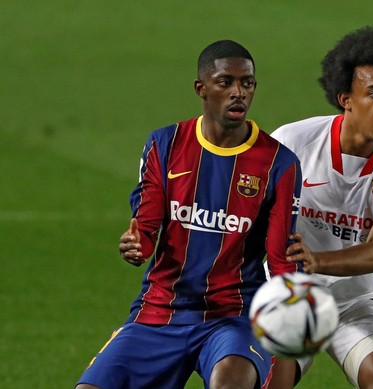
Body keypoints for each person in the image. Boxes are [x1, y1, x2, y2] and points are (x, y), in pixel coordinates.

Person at [76, 40, 302, 389]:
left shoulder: (279, 163)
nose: (238, 92)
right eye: (226, 82)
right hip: (161, 311)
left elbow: (281, 259)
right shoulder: (165, 144)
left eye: (247, 83)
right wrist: (136, 244)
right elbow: (146, 225)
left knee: (232, 384)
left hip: (234, 317)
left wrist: (289, 321)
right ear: (202, 88)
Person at [269, 26, 373, 389]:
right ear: (346, 97)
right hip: (289, 292)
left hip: (357, 298)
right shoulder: (291, 142)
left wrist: (317, 260)